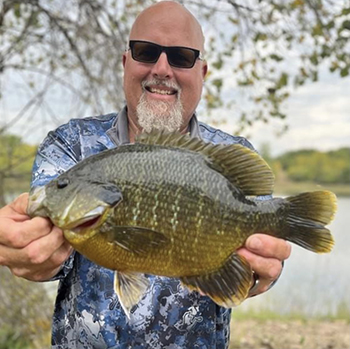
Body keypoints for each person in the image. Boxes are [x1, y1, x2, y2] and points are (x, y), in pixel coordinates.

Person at [0, 2, 291, 348]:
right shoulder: (71, 145)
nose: (162, 68)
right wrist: (28, 249)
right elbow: (49, 257)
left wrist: (265, 271)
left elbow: (258, 263)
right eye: (146, 52)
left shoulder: (230, 156)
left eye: (181, 57)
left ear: (203, 72)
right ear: (126, 63)